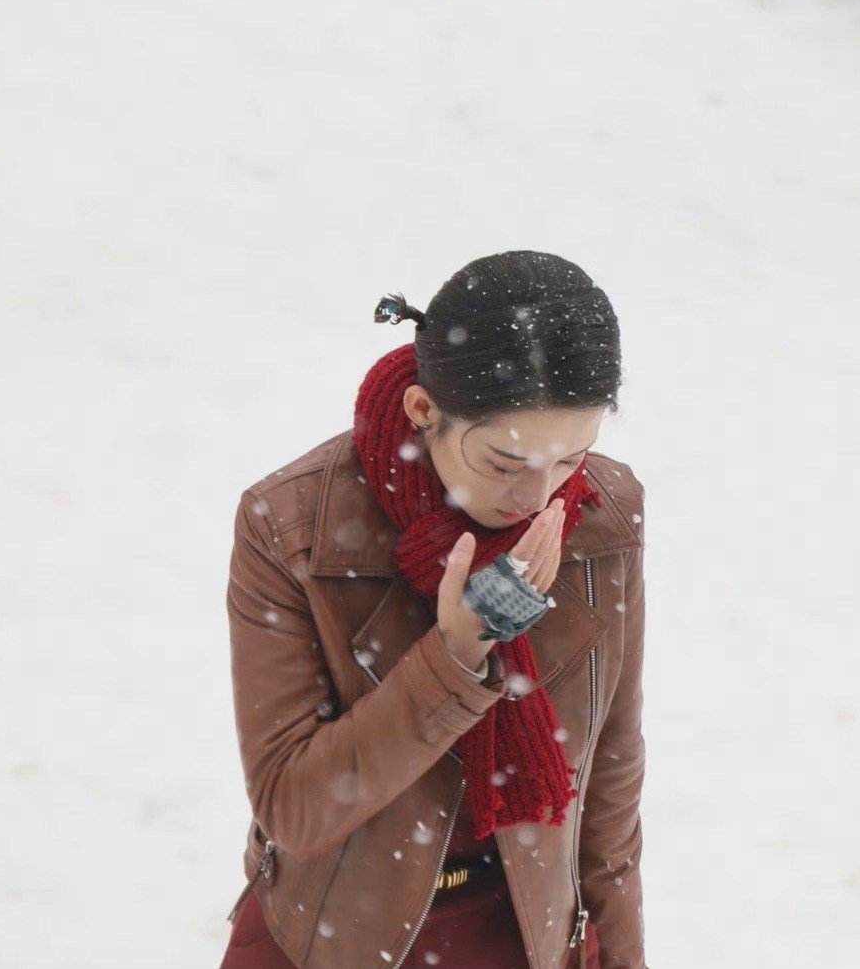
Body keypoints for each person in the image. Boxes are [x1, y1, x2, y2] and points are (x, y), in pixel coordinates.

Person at [220, 250, 648, 969]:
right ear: (425, 411)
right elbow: (294, 807)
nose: (539, 496)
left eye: (571, 458)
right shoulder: (291, 526)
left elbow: (609, 779)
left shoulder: (603, 517)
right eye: (505, 463)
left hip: (525, 935)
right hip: (330, 937)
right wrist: (455, 657)